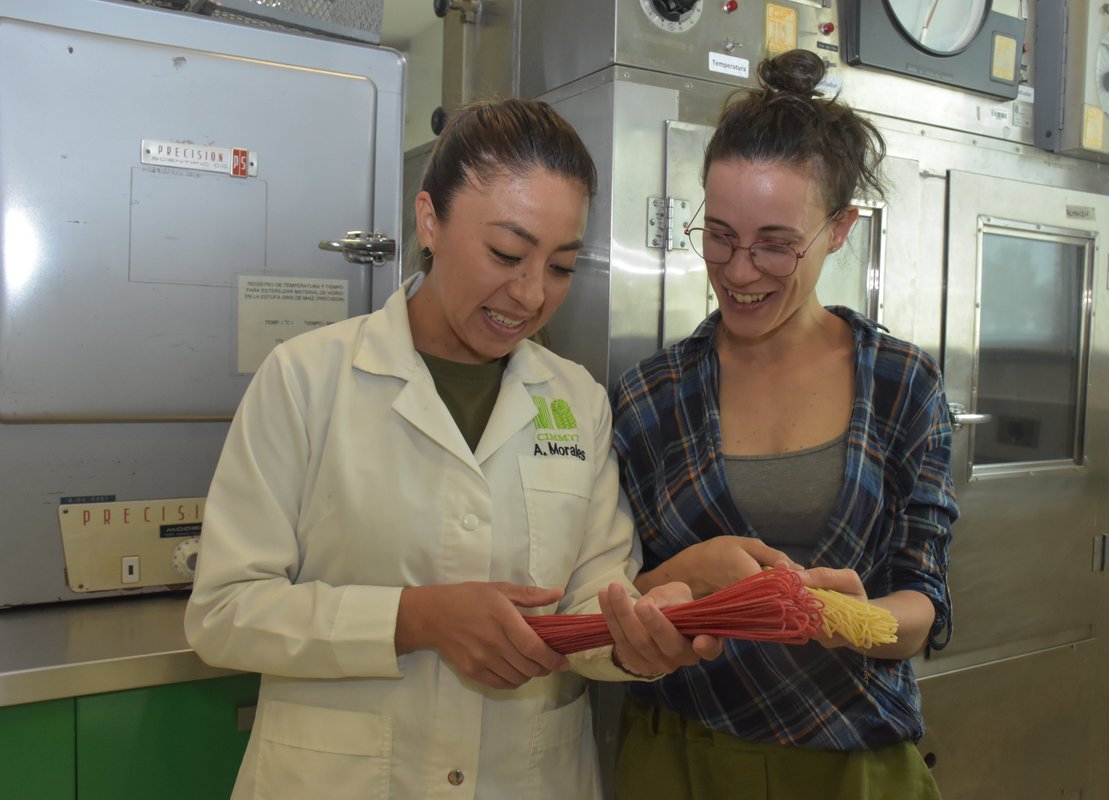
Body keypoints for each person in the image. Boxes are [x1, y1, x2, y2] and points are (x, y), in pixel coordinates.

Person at [185, 97, 718, 800]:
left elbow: (590, 601)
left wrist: (638, 636)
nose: (530, 295)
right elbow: (225, 612)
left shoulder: (578, 400)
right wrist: (415, 618)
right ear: (429, 220)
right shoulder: (306, 378)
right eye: (506, 252)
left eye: (561, 266)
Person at [610, 49, 958, 799]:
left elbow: (922, 603)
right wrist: (678, 579)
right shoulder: (650, 395)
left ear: (839, 229)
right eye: (720, 235)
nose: (739, 270)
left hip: (855, 766)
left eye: (775, 243)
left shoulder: (902, 384)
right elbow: (613, 588)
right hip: (682, 761)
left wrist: (852, 620)